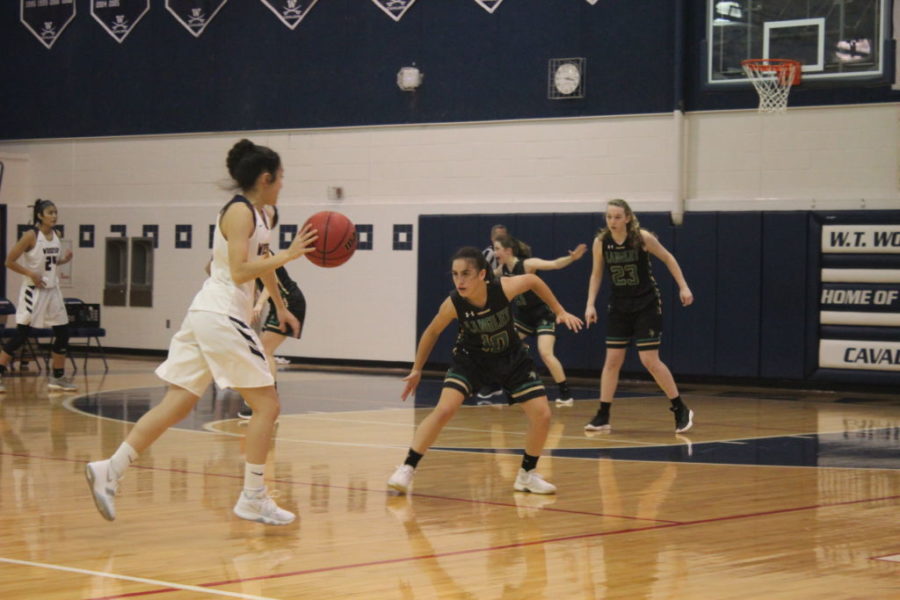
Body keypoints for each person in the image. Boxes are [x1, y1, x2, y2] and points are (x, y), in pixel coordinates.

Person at [85, 139, 317, 525]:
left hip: (208, 313)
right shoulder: (239, 214)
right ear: (265, 177)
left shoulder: (262, 214)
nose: (282, 185)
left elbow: (261, 264)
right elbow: (238, 270)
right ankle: (253, 497)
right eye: (280, 178)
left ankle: (110, 469)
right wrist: (291, 253)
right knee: (268, 406)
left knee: (178, 401)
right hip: (222, 314)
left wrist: (279, 305)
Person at [387, 246, 583, 495]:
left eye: (466, 273)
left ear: (482, 274)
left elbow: (534, 280)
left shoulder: (503, 288)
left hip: (510, 357)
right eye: (455, 274)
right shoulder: (454, 303)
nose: (460, 280)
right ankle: (407, 467)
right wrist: (417, 369)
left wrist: (559, 311)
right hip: (472, 360)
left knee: (542, 415)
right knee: (445, 409)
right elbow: (432, 331)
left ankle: (526, 475)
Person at [583, 199, 694, 433]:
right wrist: (590, 304)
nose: (612, 222)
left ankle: (680, 407)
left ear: (627, 218)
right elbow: (596, 275)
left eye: (617, 217)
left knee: (649, 360)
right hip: (619, 305)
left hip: (646, 304)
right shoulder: (601, 242)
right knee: (612, 360)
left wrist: (683, 286)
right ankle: (603, 415)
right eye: (609, 217)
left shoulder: (642, 238)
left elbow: (668, 258)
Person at [493, 234, 587, 406]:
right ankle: (512, 388)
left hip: (542, 315)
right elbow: (487, 280)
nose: (494, 252)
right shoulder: (501, 270)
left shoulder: (526, 264)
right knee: (502, 347)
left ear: (508, 250)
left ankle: (565, 393)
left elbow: (554, 264)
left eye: (497, 248)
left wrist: (572, 258)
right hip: (523, 317)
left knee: (545, 352)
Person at [0, 199, 76, 394]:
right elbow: (9, 261)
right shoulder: (30, 236)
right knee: (21, 335)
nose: (54, 216)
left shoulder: (57, 235)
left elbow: (49, 261)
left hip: (52, 290)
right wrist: (30, 274)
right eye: (50, 212)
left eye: (55, 212)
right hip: (33, 291)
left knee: (63, 332)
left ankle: (57, 377)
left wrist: (63, 260)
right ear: (40, 215)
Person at [237, 243, 307, 419]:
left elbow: (270, 284)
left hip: (288, 302)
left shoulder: (263, 254)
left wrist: (259, 304)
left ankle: (267, 398)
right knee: (262, 351)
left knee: (264, 351)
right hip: (282, 303)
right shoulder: (249, 256)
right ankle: (266, 398)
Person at [476, 223, 509, 402]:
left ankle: (499, 381)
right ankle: (492, 382)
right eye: (498, 238)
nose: (501, 242)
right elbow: (482, 278)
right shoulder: (487, 255)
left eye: (504, 238)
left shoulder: (513, 254)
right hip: (489, 303)